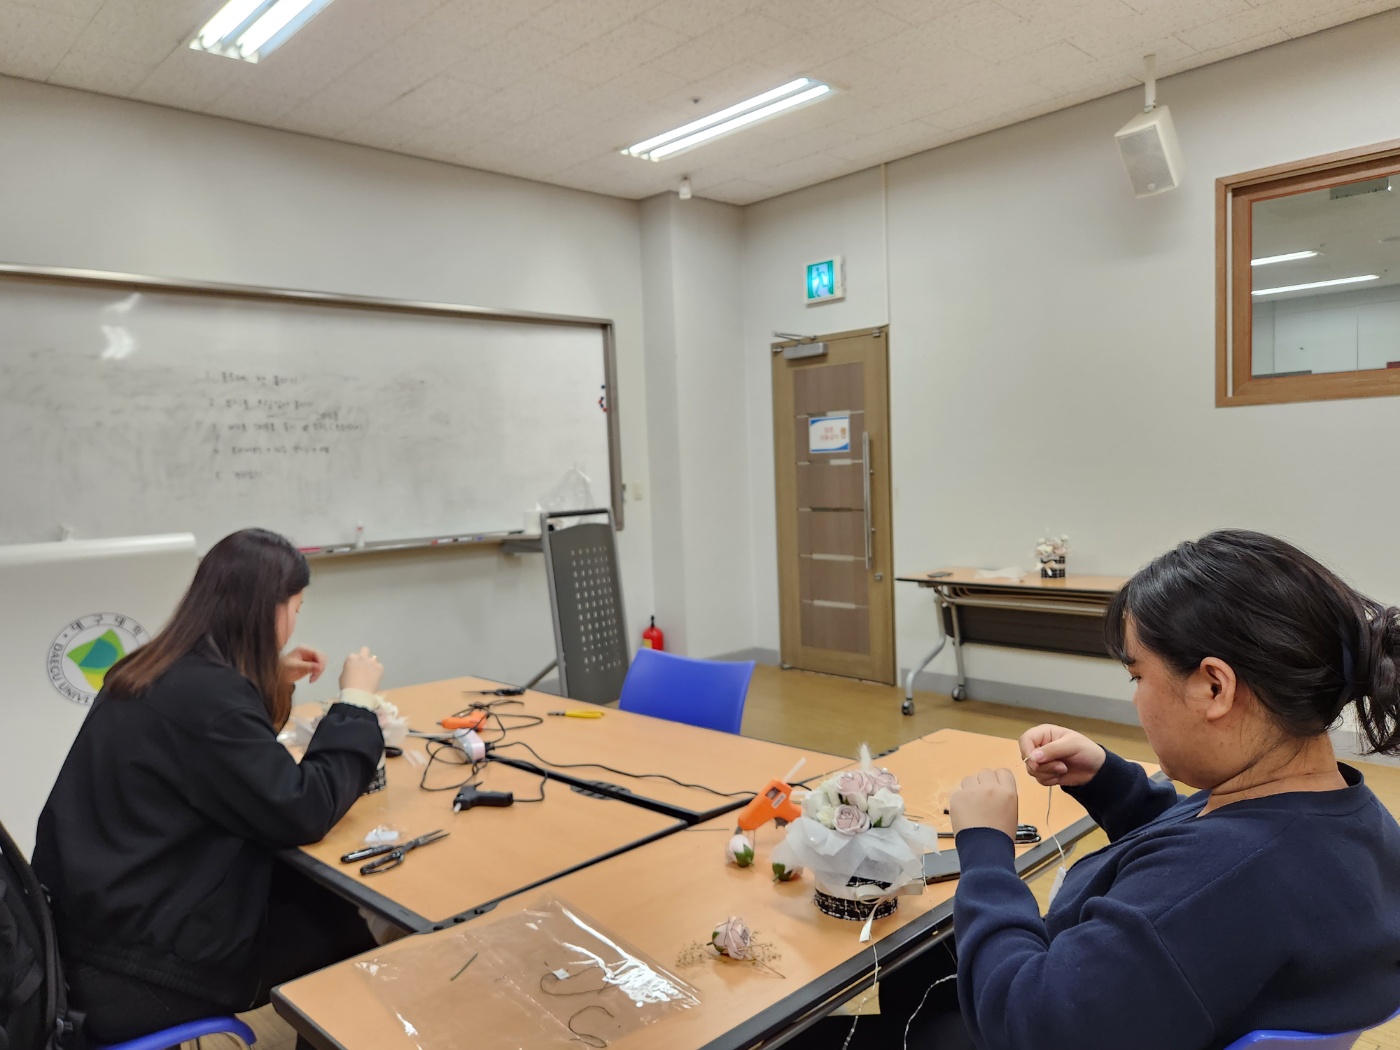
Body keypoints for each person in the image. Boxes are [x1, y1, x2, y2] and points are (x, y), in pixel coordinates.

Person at [819, 529, 1400, 1050]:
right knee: (915, 963)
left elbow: (1029, 1022)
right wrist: (1110, 782)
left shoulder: (1217, 886)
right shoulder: (1345, 814)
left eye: (1138, 675)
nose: (1135, 698)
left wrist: (987, 851)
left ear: (1215, 687)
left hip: (1033, 1016)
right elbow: (1202, 849)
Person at [32, 528, 389, 1045]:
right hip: (142, 967)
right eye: (296, 608)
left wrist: (267, 678)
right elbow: (304, 808)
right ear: (270, 610)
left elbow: (222, 761)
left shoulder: (152, 667)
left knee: (318, 902)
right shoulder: (210, 699)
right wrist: (356, 705)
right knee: (353, 953)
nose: (294, 622)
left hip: (86, 929)